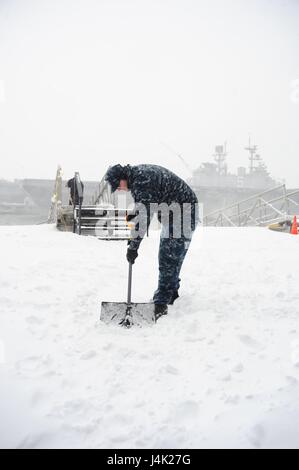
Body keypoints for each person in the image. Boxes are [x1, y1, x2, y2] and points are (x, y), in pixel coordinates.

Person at [105, 164, 199, 321]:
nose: (119, 190)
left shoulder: (142, 180)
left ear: (122, 178)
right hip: (178, 213)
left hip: (183, 214)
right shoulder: (138, 177)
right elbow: (145, 206)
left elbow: (144, 216)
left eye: (118, 186)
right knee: (172, 254)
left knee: (168, 257)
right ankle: (171, 292)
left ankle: (161, 303)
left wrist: (134, 247)